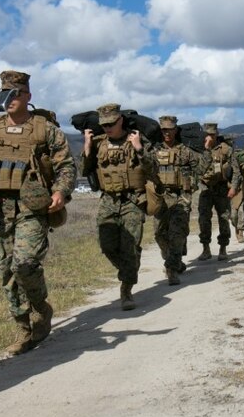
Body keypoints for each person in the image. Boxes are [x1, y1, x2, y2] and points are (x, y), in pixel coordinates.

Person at [0, 71, 75, 355]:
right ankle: (24, 328)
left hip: (32, 208)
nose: (10, 98)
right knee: (4, 270)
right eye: (5, 93)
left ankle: (41, 308)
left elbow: (66, 165)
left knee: (24, 264)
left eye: (16, 93)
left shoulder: (44, 129)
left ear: (28, 96)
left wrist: (60, 191)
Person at [81, 103, 153, 309]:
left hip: (133, 200)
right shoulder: (97, 143)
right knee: (107, 246)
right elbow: (83, 170)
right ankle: (128, 270)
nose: (108, 128)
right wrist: (86, 147)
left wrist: (139, 148)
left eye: (112, 123)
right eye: (104, 125)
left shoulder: (136, 139)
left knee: (129, 247)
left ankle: (126, 290)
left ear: (120, 119)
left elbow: (153, 168)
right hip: (108, 201)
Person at [146, 115, 199, 285]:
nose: (167, 133)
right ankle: (173, 258)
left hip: (181, 196)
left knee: (177, 233)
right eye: (164, 130)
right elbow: (144, 167)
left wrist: (192, 184)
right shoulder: (153, 151)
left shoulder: (185, 151)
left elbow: (199, 168)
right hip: (161, 196)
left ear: (176, 130)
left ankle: (172, 268)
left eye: (170, 129)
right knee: (159, 234)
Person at [195, 123, 233, 261]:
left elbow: (235, 169)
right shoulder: (199, 149)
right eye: (207, 134)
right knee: (204, 219)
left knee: (223, 218)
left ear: (217, 134)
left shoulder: (225, 149)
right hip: (206, 189)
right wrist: (206, 149)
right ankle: (206, 249)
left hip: (221, 189)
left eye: (212, 134)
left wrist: (233, 187)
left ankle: (223, 248)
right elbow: (196, 170)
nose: (209, 137)